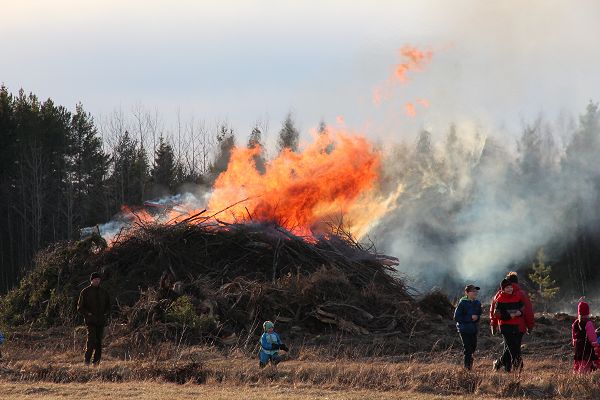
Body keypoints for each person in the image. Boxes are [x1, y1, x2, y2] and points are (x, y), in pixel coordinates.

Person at [489, 271, 534, 371]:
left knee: (509, 348)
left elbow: (493, 311)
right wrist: (530, 325)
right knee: (513, 348)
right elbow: (528, 311)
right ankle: (509, 367)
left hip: (504, 325)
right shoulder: (522, 294)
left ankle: (502, 365)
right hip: (520, 326)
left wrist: (494, 324)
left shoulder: (498, 295)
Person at [77, 272, 111, 365]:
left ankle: (96, 363)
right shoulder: (85, 291)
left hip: (101, 321)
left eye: (98, 279)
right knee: (91, 340)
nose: (97, 281)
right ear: (91, 280)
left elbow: (108, 306)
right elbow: (80, 307)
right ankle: (87, 361)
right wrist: (88, 314)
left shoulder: (104, 292)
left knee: (99, 342)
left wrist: (106, 314)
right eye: (95, 279)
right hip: (90, 321)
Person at [454, 284, 482, 370]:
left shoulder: (477, 303)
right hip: (464, 329)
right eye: (473, 291)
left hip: (473, 329)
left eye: (476, 291)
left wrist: (477, 317)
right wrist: (470, 318)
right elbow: (457, 317)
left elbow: (478, 314)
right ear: (467, 292)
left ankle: (469, 363)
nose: (475, 292)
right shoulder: (462, 303)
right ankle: (467, 368)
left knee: (473, 347)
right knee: (468, 349)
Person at [572, 298, 600, 373]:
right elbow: (592, 336)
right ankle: (582, 379)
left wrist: (575, 343)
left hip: (578, 348)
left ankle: (576, 377)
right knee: (586, 365)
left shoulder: (575, 323)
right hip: (587, 348)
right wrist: (595, 344)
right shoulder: (588, 323)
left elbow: (574, 336)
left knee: (578, 363)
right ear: (588, 312)